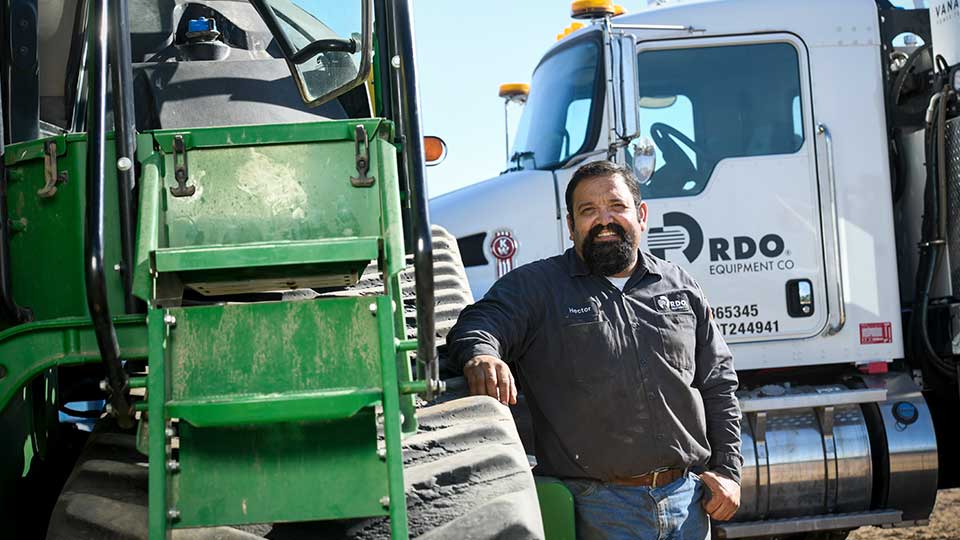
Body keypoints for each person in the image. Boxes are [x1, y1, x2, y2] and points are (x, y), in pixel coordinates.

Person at [447, 160, 742, 540]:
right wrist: (482, 354)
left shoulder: (679, 286)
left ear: (641, 214)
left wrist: (728, 471)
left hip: (687, 502)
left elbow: (718, 383)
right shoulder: (538, 288)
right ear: (571, 226)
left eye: (616, 207)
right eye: (588, 211)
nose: (604, 220)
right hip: (598, 508)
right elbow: (479, 323)